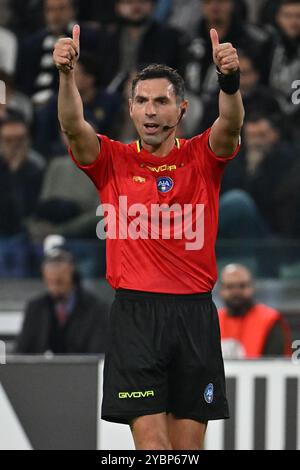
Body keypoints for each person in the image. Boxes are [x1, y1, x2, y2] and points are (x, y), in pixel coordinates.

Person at [53, 22, 244, 450]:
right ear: (131, 109)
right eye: (142, 101)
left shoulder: (203, 157)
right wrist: (66, 75)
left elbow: (230, 124)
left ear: (182, 110)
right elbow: (72, 124)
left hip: (195, 317)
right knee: (154, 449)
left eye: (161, 101)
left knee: (187, 452)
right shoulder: (111, 161)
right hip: (136, 318)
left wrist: (229, 82)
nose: (151, 110)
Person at [16, 249, 109, 354]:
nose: (54, 288)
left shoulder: (97, 309)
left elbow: (99, 353)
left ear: (72, 275)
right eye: (50, 282)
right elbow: (21, 353)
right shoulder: (35, 309)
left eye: (59, 282)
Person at [218, 264, 291, 358]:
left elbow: (275, 364)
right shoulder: (212, 321)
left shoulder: (270, 320)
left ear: (252, 287)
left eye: (242, 286)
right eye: (230, 287)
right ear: (221, 290)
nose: (236, 292)